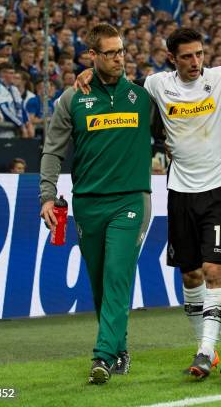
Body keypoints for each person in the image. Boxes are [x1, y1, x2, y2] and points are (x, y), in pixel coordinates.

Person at [74, 27, 221, 380]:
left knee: (216, 270)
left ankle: (207, 349)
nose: (196, 62)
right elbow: (118, 80)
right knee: (191, 274)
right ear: (172, 59)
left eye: (199, 54)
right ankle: (203, 347)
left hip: (218, 191)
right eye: (187, 56)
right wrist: (90, 71)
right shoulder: (156, 85)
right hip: (180, 191)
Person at [39, 23, 160, 385]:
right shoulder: (72, 99)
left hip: (131, 201)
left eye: (122, 51)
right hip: (88, 204)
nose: (119, 58)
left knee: (117, 277)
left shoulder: (144, 97)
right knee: (100, 286)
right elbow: (52, 150)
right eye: (110, 53)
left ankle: (103, 357)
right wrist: (47, 195)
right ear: (92, 56)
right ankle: (119, 347)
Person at [0, 62, 33, 138]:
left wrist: (28, 123)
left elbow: (21, 107)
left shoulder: (14, 89)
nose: (14, 76)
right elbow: (5, 111)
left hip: (15, 129)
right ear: (3, 74)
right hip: (1, 130)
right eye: (11, 73)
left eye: (13, 73)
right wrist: (21, 125)